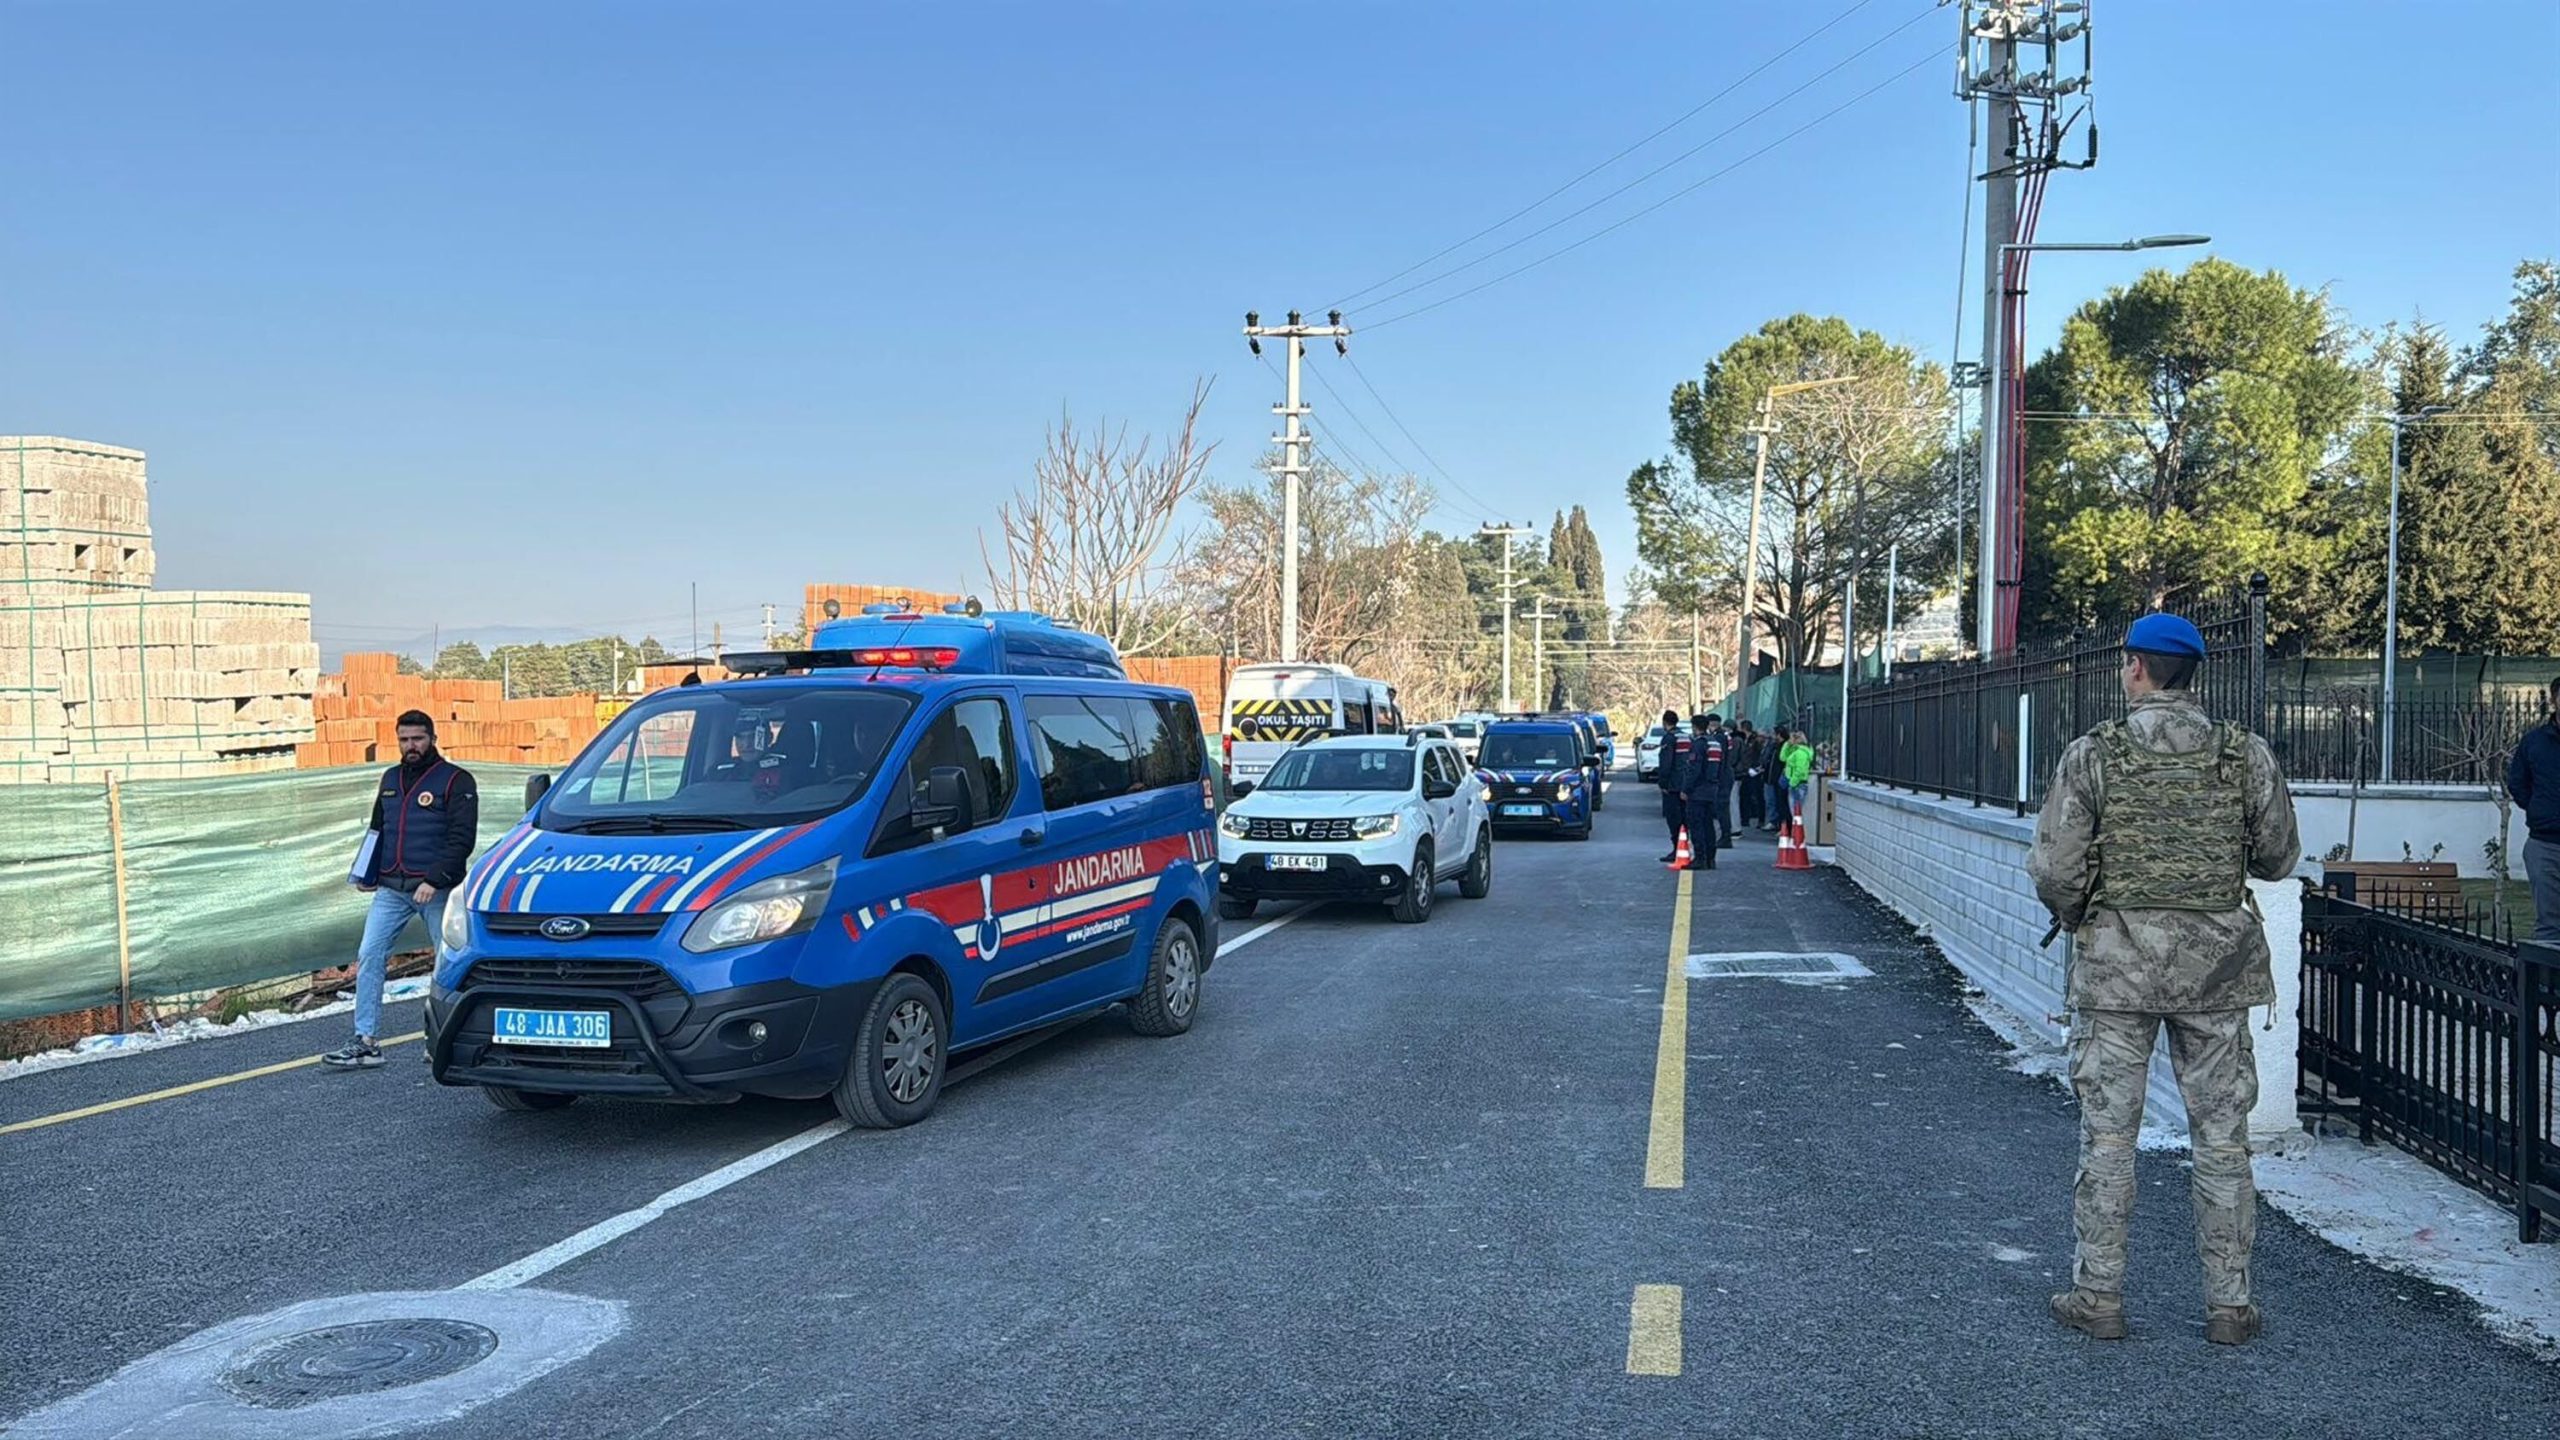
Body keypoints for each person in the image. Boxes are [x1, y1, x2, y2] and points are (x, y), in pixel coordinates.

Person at [2027, 613, 2299, 1347]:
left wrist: (2084, 915)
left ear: (2136, 668)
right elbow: (2278, 858)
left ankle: (2099, 1296)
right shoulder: (2244, 754)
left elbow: (2054, 867)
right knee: (2222, 1141)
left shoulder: (2094, 754)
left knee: (2110, 1139)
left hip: (2117, 974)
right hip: (2216, 974)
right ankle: (2229, 1307)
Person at [326, 711, 480, 1069]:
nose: (411, 746)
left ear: (433, 739)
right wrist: (364, 873)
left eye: (418, 739)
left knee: (447, 963)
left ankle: (441, 1040)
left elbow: (462, 839)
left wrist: (434, 879)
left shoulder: (456, 780)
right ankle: (365, 1041)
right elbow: (377, 829)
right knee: (369, 955)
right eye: (404, 739)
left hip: (437, 891)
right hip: (391, 889)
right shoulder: (390, 779)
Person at [2509, 674, 2560, 946]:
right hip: (2545, 845)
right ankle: (2548, 973)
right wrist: (2540, 809)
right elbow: (2518, 783)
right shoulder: (2534, 741)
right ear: (2554, 700)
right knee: (2549, 926)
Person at [1681, 712, 1731, 869]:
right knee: (1709, 825)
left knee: (1697, 824)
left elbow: (1694, 770)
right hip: (1713, 789)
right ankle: (1711, 859)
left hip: (1698, 791)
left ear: (1695, 727)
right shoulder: (1715, 743)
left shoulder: (1699, 744)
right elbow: (1722, 766)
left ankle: (1700, 858)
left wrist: (1686, 789)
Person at [1654, 707, 1689, 863]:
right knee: (1685, 817)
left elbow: (1666, 763)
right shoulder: (1687, 737)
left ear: (1664, 723)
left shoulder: (1669, 738)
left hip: (1673, 784)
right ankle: (1686, 846)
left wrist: (1663, 782)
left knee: (1673, 818)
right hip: (1686, 783)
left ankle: (1677, 848)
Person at [1778, 728, 1817, 830]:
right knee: (1794, 811)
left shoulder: (1800, 753)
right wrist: (1787, 745)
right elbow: (1782, 757)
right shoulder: (1796, 751)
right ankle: (1796, 834)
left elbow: (1800, 769)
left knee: (1795, 811)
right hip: (1795, 783)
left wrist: (1792, 782)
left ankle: (1797, 835)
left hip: (1797, 784)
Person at [1735, 721, 1766, 832]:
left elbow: (1758, 754)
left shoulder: (1755, 740)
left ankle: (1759, 818)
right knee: (1745, 794)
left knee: (1757, 794)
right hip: (1746, 770)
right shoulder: (1744, 739)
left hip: (1754, 770)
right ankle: (1745, 818)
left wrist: (1756, 767)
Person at [1762, 726, 1791, 832]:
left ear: (1779, 734)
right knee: (1771, 801)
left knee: (1780, 802)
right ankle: (1774, 822)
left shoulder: (1784, 746)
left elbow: (1782, 760)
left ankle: (1780, 824)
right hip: (1770, 776)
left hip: (1777, 777)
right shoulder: (1774, 746)